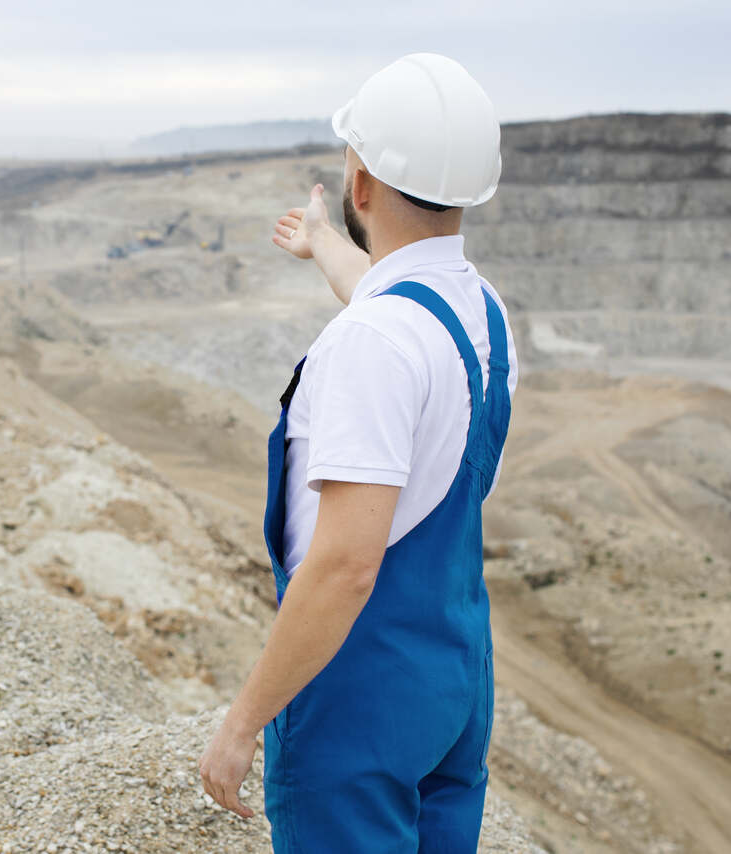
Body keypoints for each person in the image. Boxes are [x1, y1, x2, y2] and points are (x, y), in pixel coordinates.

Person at [199, 53, 518, 852]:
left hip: (358, 698)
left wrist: (244, 724)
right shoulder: (479, 308)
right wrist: (321, 244)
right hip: (452, 677)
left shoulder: (371, 344)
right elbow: (389, 294)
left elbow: (346, 567)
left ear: (364, 183)